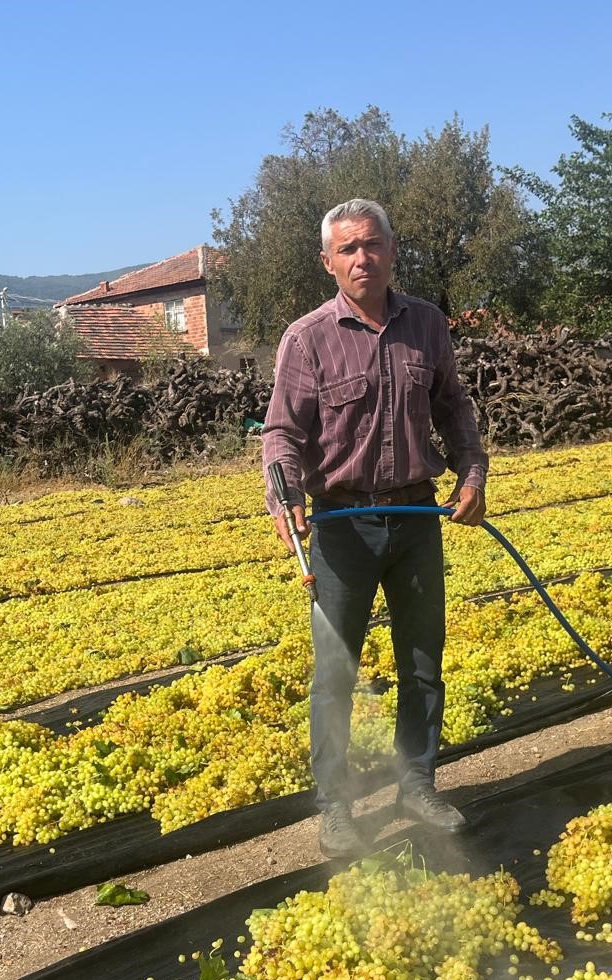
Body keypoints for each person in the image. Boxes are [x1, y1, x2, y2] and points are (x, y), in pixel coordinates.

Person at [261, 198, 488, 858]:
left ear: (392, 250)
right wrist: (285, 495)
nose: (363, 258)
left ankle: (416, 784)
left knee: (423, 664)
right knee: (336, 675)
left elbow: (455, 411)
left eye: (373, 244)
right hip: (340, 529)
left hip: (418, 518)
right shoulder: (307, 339)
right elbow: (281, 434)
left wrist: (472, 476)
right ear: (328, 263)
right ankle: (336, 805)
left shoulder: (427, 326)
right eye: (348, 249)